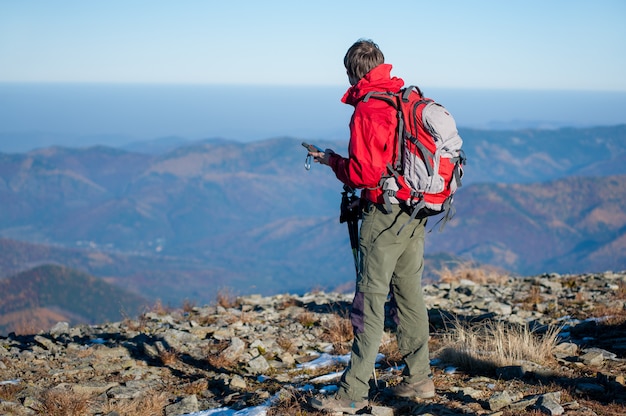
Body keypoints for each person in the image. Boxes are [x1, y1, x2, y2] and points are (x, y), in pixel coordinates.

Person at [309, 39, 434, 413]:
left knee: (370, 302)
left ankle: (352, 394)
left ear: (353, 72)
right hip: (415, 211)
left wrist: (333, 163)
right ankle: (419, 379)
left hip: (382, 216)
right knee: (410, 297)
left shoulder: (368, 108)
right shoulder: (404, 98)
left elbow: (365, 172)